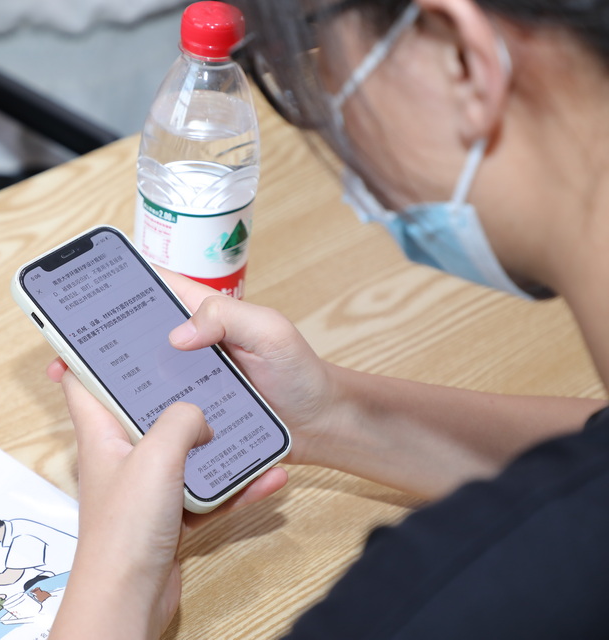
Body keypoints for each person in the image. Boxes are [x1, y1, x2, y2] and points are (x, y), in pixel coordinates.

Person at [42, 0, 609, 638]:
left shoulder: (435, 599)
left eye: (310, 53)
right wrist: (328, 413)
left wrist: (117, 576)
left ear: (462, 61)